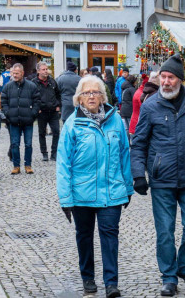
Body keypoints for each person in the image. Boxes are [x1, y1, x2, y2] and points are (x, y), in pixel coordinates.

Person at [131, 54, 185, 296]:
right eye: (163, 77)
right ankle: (169, 276)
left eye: (170, 77)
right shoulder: (150, 105)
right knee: (165, 231)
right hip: (162, 179)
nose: (165, 82)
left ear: (180, 79)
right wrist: (139, 175)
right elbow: (139, 144)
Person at [57, 75, 133, 298]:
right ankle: (88, 279)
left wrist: (127, 187)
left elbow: (124, 154)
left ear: (102, 96)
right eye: (86, 93)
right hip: (82, 193)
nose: (91, 96)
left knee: (110, 236)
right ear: (79, 98)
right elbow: (63, 163)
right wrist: (66, 198)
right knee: (84, 236)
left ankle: (111, 283)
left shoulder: (115, 120)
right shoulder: (72, 124)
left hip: (112, 191)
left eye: (96, 92)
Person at [1, 63, 41, 174]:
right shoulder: (8, 86)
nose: (15, 75)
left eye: (17, 73)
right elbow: (3, 101)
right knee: (15, 144)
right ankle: (16, 166)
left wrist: (33, 114)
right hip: (13, 120)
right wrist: (8, 113)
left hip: (27, 120)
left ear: (22, 73)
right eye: (13, 73)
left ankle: (28, 165)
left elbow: (37, 101)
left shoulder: (31, 86)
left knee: (28, 144)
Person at [32, 61, 61, 161]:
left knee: (56, 132)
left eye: (46, 69)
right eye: (43, 69)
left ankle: (54, 153)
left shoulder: (52, 81)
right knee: (42, 133)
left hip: (53, 111)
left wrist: (58, 105)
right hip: (42, 112)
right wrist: (37, 109)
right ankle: (44, 153)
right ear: (38, 71)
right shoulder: (34, 83)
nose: (46, 71)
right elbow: (32, 98)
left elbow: (58, 94)